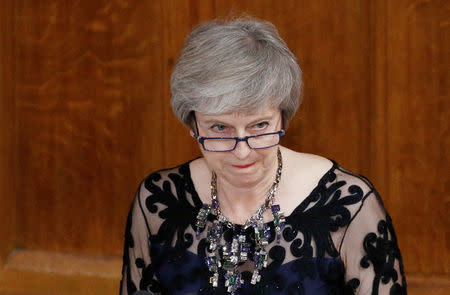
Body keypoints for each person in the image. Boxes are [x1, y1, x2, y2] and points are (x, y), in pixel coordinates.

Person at [119, 17, 407, 295]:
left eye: (260, 126)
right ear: (192, 125)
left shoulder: (349, 204)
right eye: (220, 128)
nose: (242, 151)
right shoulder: (158, 200)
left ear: (283, 117)